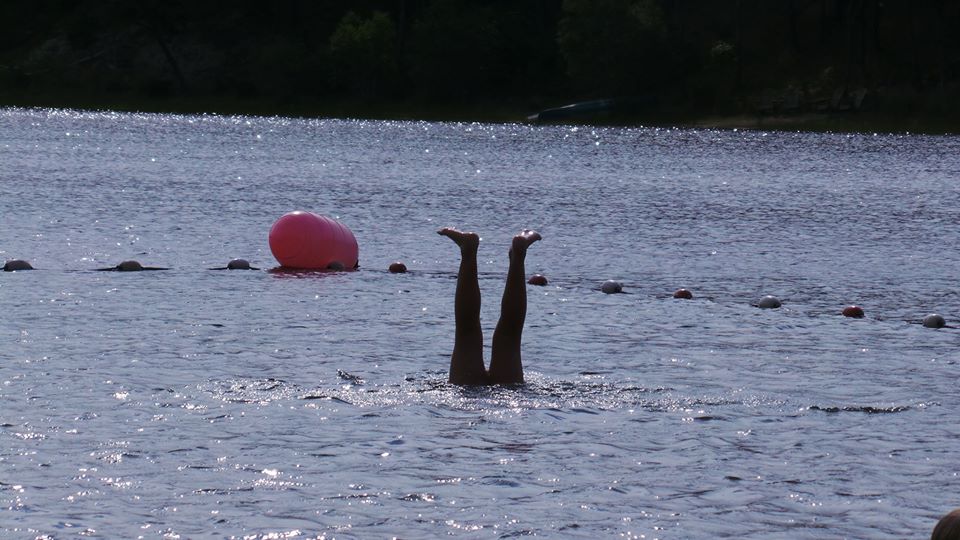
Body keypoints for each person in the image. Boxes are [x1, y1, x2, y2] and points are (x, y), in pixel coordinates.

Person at [438, 227, 541, 385]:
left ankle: (469, 250)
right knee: (508, 335)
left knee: (469, 333)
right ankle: (517, 255)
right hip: (508, 391)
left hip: (467, 388)